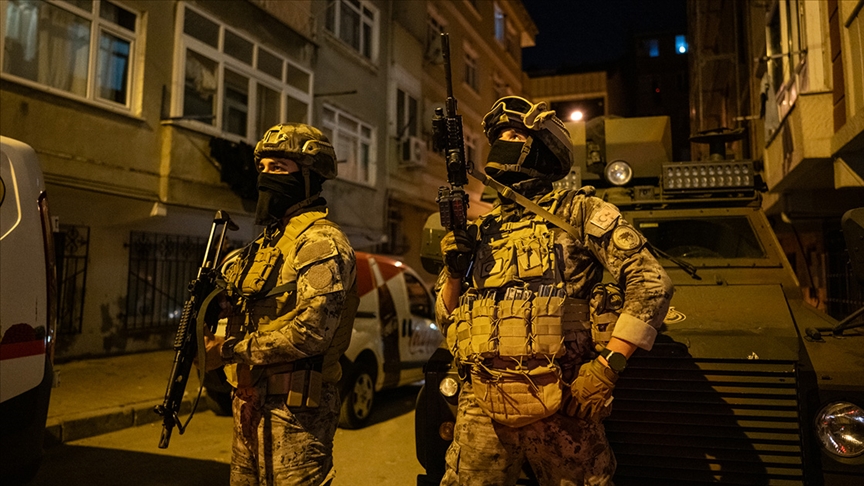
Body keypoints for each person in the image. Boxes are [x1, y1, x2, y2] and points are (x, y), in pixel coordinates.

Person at [436, 96, 674, 485]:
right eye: (498, 136)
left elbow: (651, 283)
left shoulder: (580, 212)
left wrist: (608, 368)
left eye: (514, 135)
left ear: (544, 148)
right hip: (484, 402)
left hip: (565, 398)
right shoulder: (480, 230)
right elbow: (446, 317)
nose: (502, 143)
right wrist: (453, 272)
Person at [203, 123, 359, 486]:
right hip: (248, 401)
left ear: (308, 177)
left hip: (296, 412)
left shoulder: (322, 242)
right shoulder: (265, 244)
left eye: (278, 167)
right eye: (263, 167)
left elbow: (312, 333)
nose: (265, 177)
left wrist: (227, 350)